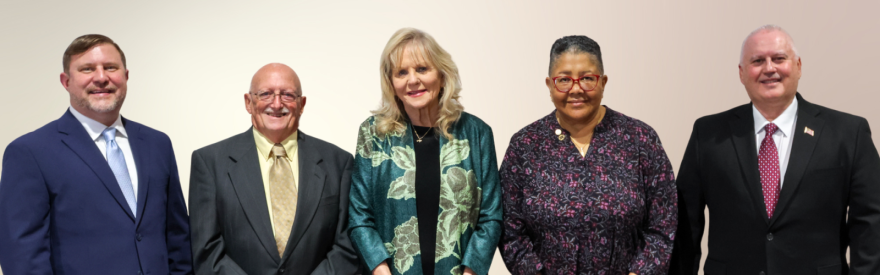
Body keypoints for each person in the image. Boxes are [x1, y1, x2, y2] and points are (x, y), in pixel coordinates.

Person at [670, 25, 880, 274]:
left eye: (779, 59)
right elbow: (685, 226)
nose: (769, 68)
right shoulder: (707, 134)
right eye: (757, 60)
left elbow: (870, 223)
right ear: (741, 73)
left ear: (799, 66)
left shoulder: (848, 132)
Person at [0, 34, 192, 274]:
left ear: (126, 76)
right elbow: (22, 258)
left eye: (110, 67)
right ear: (66, 81)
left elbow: (177, 237)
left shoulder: (157, 143)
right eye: (87, 69)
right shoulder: (30, 152)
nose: (101, 78)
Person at [498, 35, 677, 275]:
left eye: (587, 79)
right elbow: (510, 230)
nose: (576, 89)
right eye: (564, 80)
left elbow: (664, 224)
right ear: (550, 85)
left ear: (603, 82)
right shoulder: (525, 145)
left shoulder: (640, 139)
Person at [348, 28, 501, 275]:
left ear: (441, 74)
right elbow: (359, 217)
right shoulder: (373, 134)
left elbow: (491, 216)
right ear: (391, 82)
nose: (412, 80)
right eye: (401, 72)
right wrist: (381, 271)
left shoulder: (477, 133)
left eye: (422, 69)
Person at [189, 63, 359, 274]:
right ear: (248, 102)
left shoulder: (339, 163)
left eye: (287, 95)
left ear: (302, 104)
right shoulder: (209, 163)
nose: (277, 104)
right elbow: (206, 251)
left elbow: (348, 245)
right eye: (265, 94)